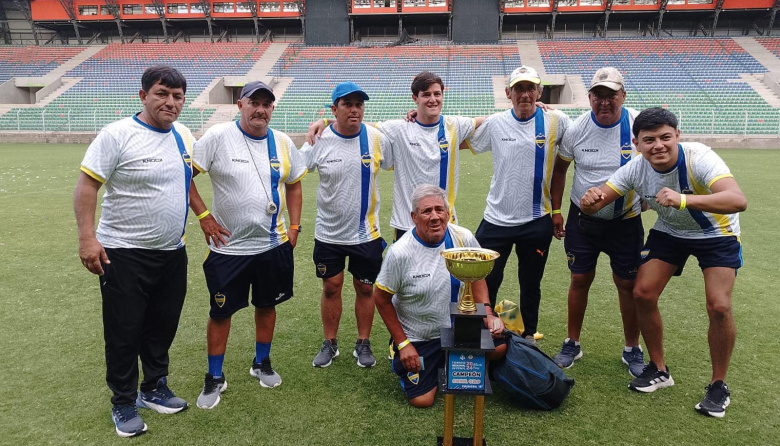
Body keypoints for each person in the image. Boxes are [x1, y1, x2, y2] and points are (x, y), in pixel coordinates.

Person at [580, 107, 747, 418]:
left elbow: (738, 200)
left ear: (677, 136)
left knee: (719, 306)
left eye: (665, 137)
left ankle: (719, 384)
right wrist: (590, 201)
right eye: (649, 140)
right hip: (670, 231)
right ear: (637, 144)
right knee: (642, 293)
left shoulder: (700, 157)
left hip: (716, 232)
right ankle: (658, 369)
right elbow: (596, 202)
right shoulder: (635, 169)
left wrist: (684, 199)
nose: (658, 145)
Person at [74, 65, 193, 437]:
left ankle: (154, 387)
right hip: (123, 254)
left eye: (177, 96)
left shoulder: (184, 136)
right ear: (143, 96)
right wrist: (87, 238)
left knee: (162, 326)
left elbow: (189, 180)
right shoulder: (117, 135)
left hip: (173, 253)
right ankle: (123, 402)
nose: (170, 102)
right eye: (162, 94)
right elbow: (87, 186)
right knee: (124, 331)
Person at [189, 81, 305, 409]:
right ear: (240, 105)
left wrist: (295, 226)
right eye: (255, 102)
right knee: (221, 312)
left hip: (272, 245)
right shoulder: (217, 138)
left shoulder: (282, 142)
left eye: (267, 104)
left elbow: (294, 185)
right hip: (229, 249)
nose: (261, 110)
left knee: (267, 306)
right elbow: (185, 177)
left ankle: (261, 363)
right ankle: (215, 376)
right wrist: (205, 216)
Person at [373, 184, 507, 408]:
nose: (435, 217)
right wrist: (403, 343)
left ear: (447, 212)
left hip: (459, 328)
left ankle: (452, 360)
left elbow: (478, 277)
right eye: (427, 211)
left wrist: (488, 315)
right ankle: (409, 354)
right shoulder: (399, 252)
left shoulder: (462, 237)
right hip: (420, 336)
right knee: (422, 400)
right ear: (414, 217)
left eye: (439, 209)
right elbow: (381, 299)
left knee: (500, 348)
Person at [549, 67, 645, 377]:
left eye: (611, 95)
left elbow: (659, 158)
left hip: (626, 220)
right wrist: (557, 211)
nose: (604, 102)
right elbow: (561, 171)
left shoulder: (638, 124)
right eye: (598, 95)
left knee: (628, 285)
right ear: (590, 97)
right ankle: (572, 342)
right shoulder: (576, 129)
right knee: (579, 280)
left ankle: (633, 348)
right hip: (582, 220)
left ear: (623, 95)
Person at [306, 71, 480, 241]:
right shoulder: (399, 129)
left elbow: (488, 121)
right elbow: (361, 124)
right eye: (426, 94)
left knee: (444, 270)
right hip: (406, 223)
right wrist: (327, 121)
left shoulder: (455, 125)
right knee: (405, 269)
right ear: (415, 98)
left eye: (437, 94)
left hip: (444, 221)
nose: (433, 99)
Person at [467, 65, 571, 343]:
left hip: (536, 220)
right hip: (496, 219)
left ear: (539, 91)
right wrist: (421, 117)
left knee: (531, 282)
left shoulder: (557, 121)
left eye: (530, 88)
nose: (525, 94)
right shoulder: (497, 122)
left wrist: (558, 211)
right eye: (519, 89)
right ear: (508, 93)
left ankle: (527, 335)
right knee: (485, 279)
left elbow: (576, 148)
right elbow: (458, 135)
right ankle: (481, 330)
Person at [302, 82, 391, 368]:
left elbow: (392, 159)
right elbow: (294, 171)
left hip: (367, 233)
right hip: (328, 233)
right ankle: (330, 342)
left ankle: (363, 342)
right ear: (334, 109)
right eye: (347, 104)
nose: (354, 109)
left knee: (366, 289)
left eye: (359, 104)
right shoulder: (319, 140)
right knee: (331, 286)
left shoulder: (377, 138)